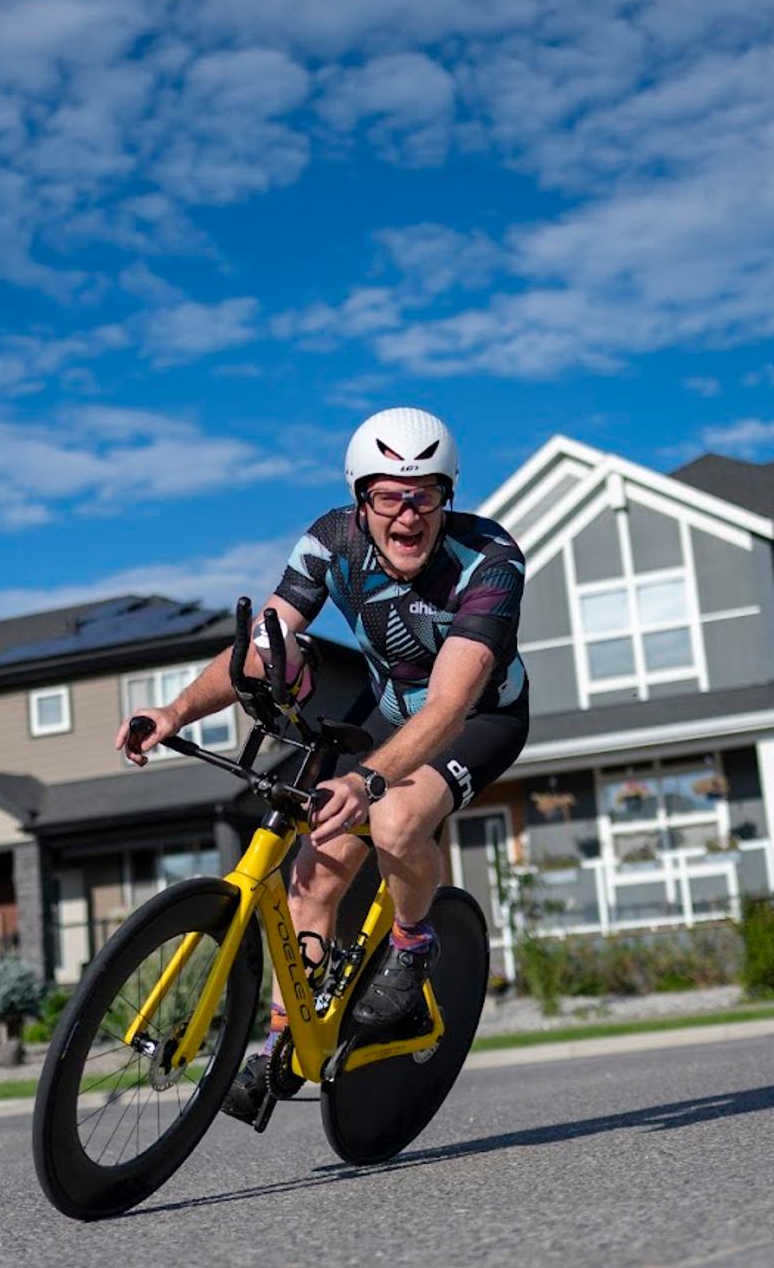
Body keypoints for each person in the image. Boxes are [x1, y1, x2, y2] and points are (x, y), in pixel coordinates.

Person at [114, 406, 530, 1122]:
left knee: (397, 818)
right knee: (310, 873)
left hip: (478, 717)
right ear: (360, 498)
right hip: (388, 706)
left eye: (424, 494)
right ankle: (284, 1039)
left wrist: (369, 779)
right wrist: (173, 713)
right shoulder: (330, 538)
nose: (407, 514)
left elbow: (450, 707)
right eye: (388, 495)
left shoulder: (490, 560)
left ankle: (411, 944)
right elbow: (260, 643)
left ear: (447, 497)